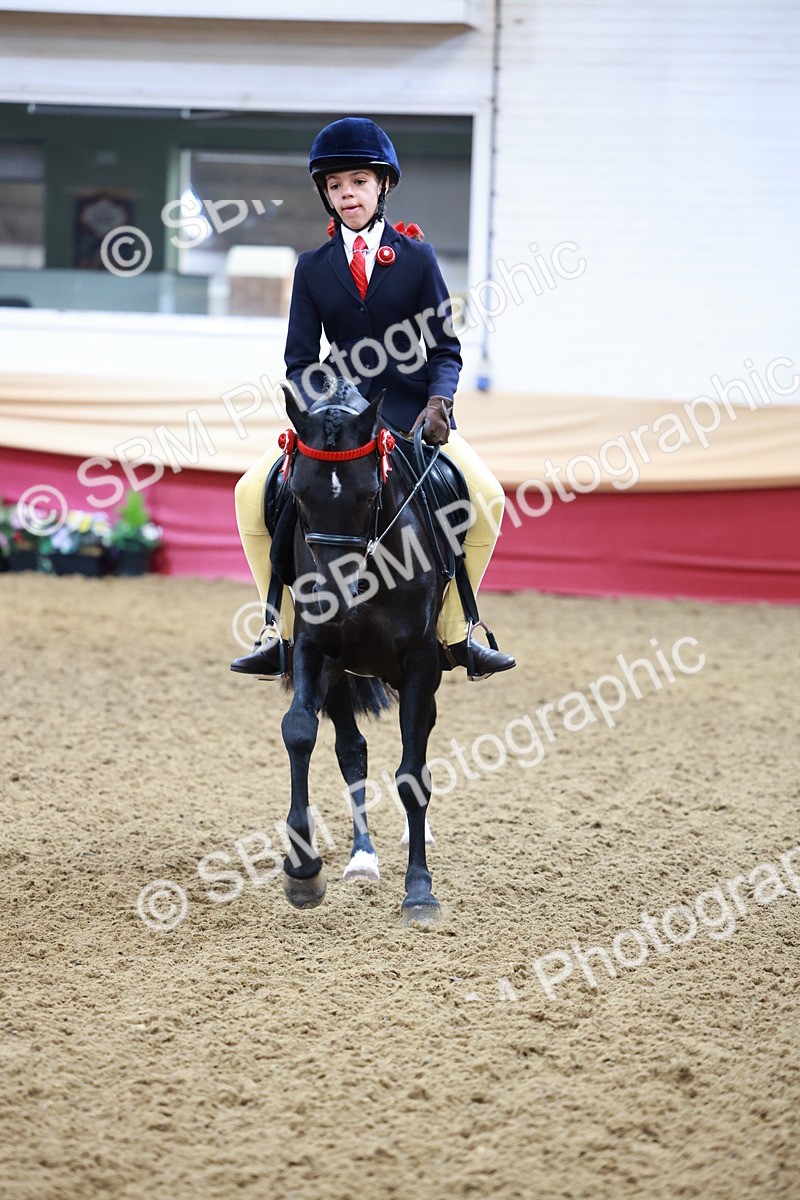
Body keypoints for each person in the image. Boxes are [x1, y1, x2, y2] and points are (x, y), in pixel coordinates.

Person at [231, 116, 515, 680]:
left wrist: (439, 403)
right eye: (335, 186)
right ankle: (280, 630)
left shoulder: (417, 259)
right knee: (248, 495)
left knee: (487, 497)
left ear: (382, 186)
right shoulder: (313, 268)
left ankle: (458, 632)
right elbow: (299, 363)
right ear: (326, 196)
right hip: (339, 425)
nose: (347, 194)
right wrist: (324, 413)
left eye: (357, 182)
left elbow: (445, 349)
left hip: (413, 420)